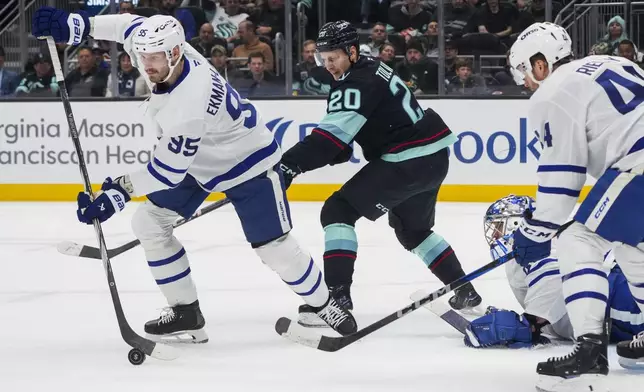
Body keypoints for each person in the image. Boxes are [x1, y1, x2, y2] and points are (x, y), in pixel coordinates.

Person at [31, 7, 357, 341]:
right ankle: (186, 311)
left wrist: (118, 192)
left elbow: (167, 172)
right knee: (149, 223)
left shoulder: (187, 104)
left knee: (273, 248)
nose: (146, 64)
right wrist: (80, 25)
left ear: (174, 53)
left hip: (248, 161)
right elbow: (130, 25)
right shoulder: (167, 50)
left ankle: (323, 305)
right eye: (143, 56)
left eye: (154, 57)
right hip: (200, 160)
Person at [277, 21, 483, 328]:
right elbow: (343, 141)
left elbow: (329, 140)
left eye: (333, 57)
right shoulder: (370, 69)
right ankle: (463, 289)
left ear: (351, 51)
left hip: (406, 160)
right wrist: (331, 151)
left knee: (338, 210)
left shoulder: (355, 83)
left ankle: (336, 298)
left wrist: (287, 165)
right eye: (323, 58)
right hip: (434, 158)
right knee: (413, 231)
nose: (327, 64)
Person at [508, 22, 644, 391]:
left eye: (524, 71)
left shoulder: (553, 91)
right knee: (631, 246)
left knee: (577, 241)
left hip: (639, 164)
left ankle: (589, 353)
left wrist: (534, 231)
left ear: (541, 64)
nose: (524, 82)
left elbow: (562, 181)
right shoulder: (614, 63)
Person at [464, 195, 644, 360]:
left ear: (518, 224)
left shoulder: (535, 248)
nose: (495, 235)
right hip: (611, 297)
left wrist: (527, 322)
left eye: (499, 227)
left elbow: (553, 281)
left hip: (614, 297)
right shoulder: (533, 248)